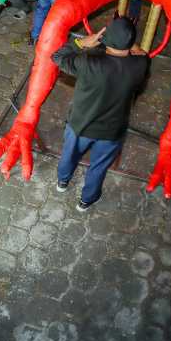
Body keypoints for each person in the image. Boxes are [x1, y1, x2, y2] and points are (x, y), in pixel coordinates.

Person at [52, 17, 148, 211]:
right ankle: (86, 200)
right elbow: (142, 53)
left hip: (80, 125)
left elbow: (58, 56)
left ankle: (62, 182)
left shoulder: (88, 62)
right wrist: (129, 42)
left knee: (68, 156)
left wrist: (82, 42)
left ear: (104, 39)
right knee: (98, 167)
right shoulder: (140, 66)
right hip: (111, 131)